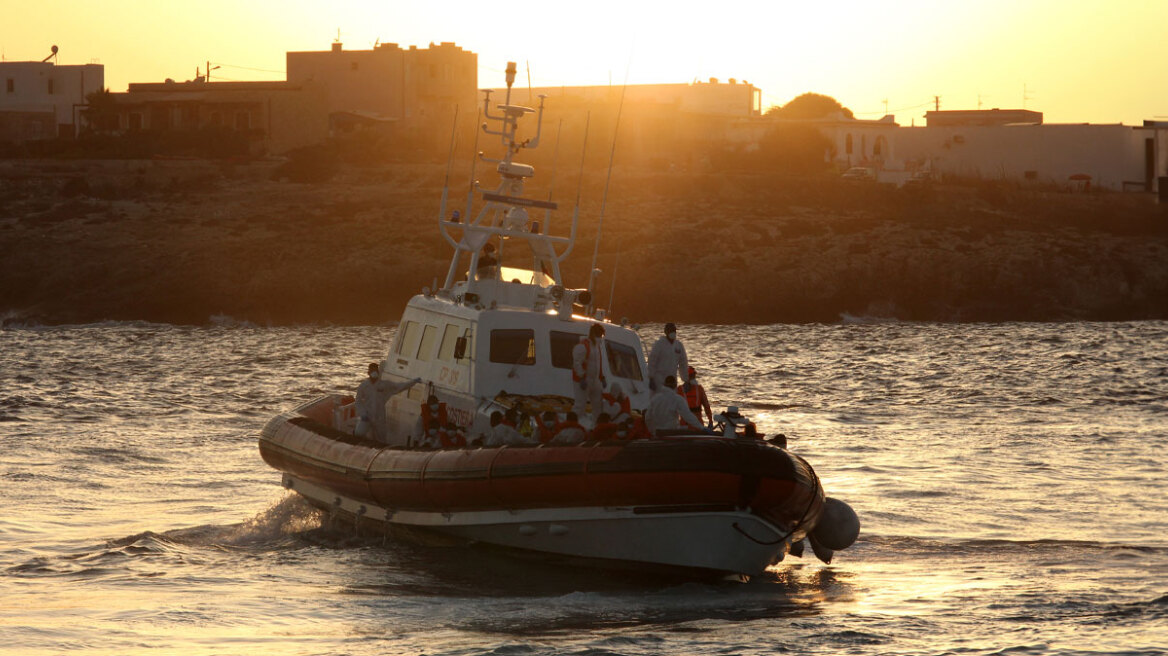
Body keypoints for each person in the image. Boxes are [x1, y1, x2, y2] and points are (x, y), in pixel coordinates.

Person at [355, 363, 421, 442]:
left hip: (380, 417)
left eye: (376, 370)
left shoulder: (384, 385)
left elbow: (399, 386)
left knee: (381, 438)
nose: (374, 372)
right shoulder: (363, 386)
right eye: (372, 370)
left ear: (378, 372)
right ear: (368, 373)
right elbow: (358, 401)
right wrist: (363, 413)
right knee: (359, 433)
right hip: (367, 416)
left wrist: (413, 382)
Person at [571, 324, 606, 422]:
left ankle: (597, 425)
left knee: (598, 404)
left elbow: (598, 364)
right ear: (595, 334)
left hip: (595, 380)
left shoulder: (597, 347)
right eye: (600, 335)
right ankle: (572, 425)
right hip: (583, 381)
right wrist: (581, 377)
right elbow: (577, 363)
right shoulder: (583, 346)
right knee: (580, 405)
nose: (601, 337)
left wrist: (602, 377)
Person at [647, 322, 688, 392]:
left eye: (674, 331)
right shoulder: (659, 344)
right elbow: (652, 361)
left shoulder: (679, 345)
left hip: (672, 381)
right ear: (666, 332)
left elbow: (683, 363)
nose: (673, 332)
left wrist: (686, 380)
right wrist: (650, 378)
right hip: (659, 381)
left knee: (672, 400)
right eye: (671, 331)